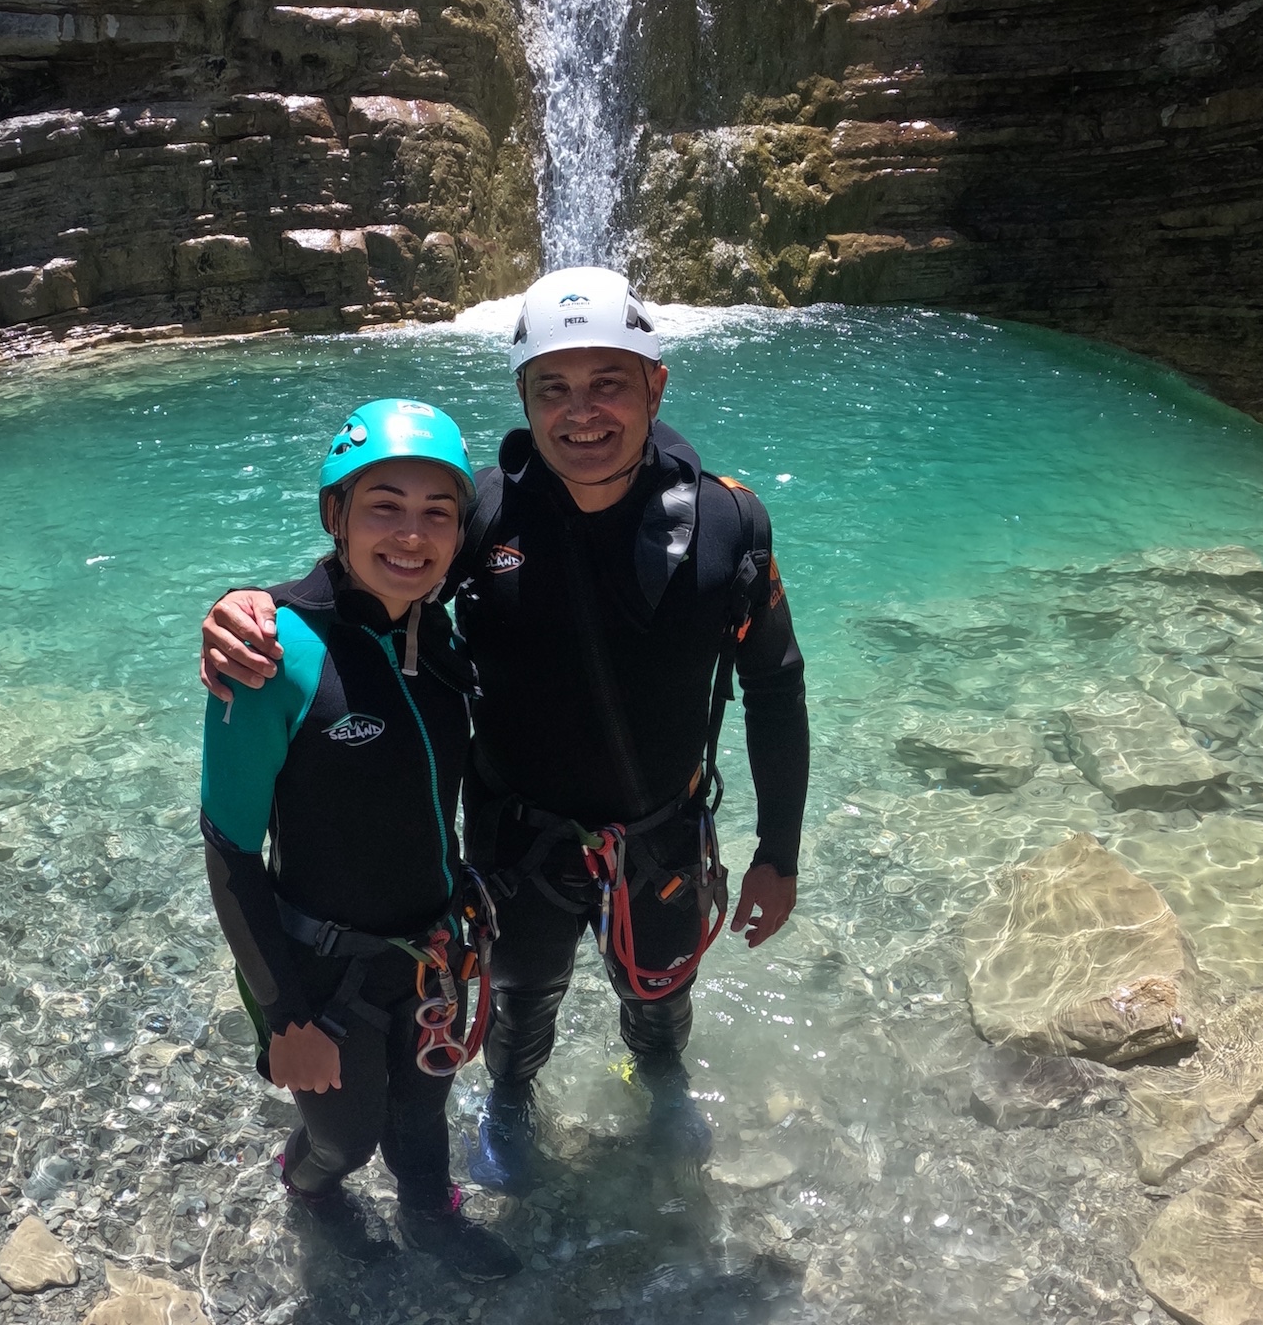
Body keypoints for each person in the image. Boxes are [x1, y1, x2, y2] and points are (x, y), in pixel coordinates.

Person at [203, 269, 809, 1193]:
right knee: (522, 1003)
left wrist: (779, 851)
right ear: (523, 396)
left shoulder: (729, 523)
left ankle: (659, 1081)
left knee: (660, 994)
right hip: (519, 841)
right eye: (553, 387)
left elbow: (775, 685)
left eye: (608, 382)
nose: (582, 413)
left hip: (663, 832)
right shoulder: (481, 514)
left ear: (656, 385)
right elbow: (368, 592)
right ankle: (512, 1100)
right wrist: (251, 606)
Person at [200, 397, 520, 1280]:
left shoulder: (440, 633)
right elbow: (229, 849)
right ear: (334, 514)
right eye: (384, 506)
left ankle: (430, 1213)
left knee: (423, 1113)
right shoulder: (270, 655)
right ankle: (307, 1187)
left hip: (432, 953)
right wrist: (287, 1017)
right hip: (323, 971)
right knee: (345, 1136)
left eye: (437, 514)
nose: (411, 536)